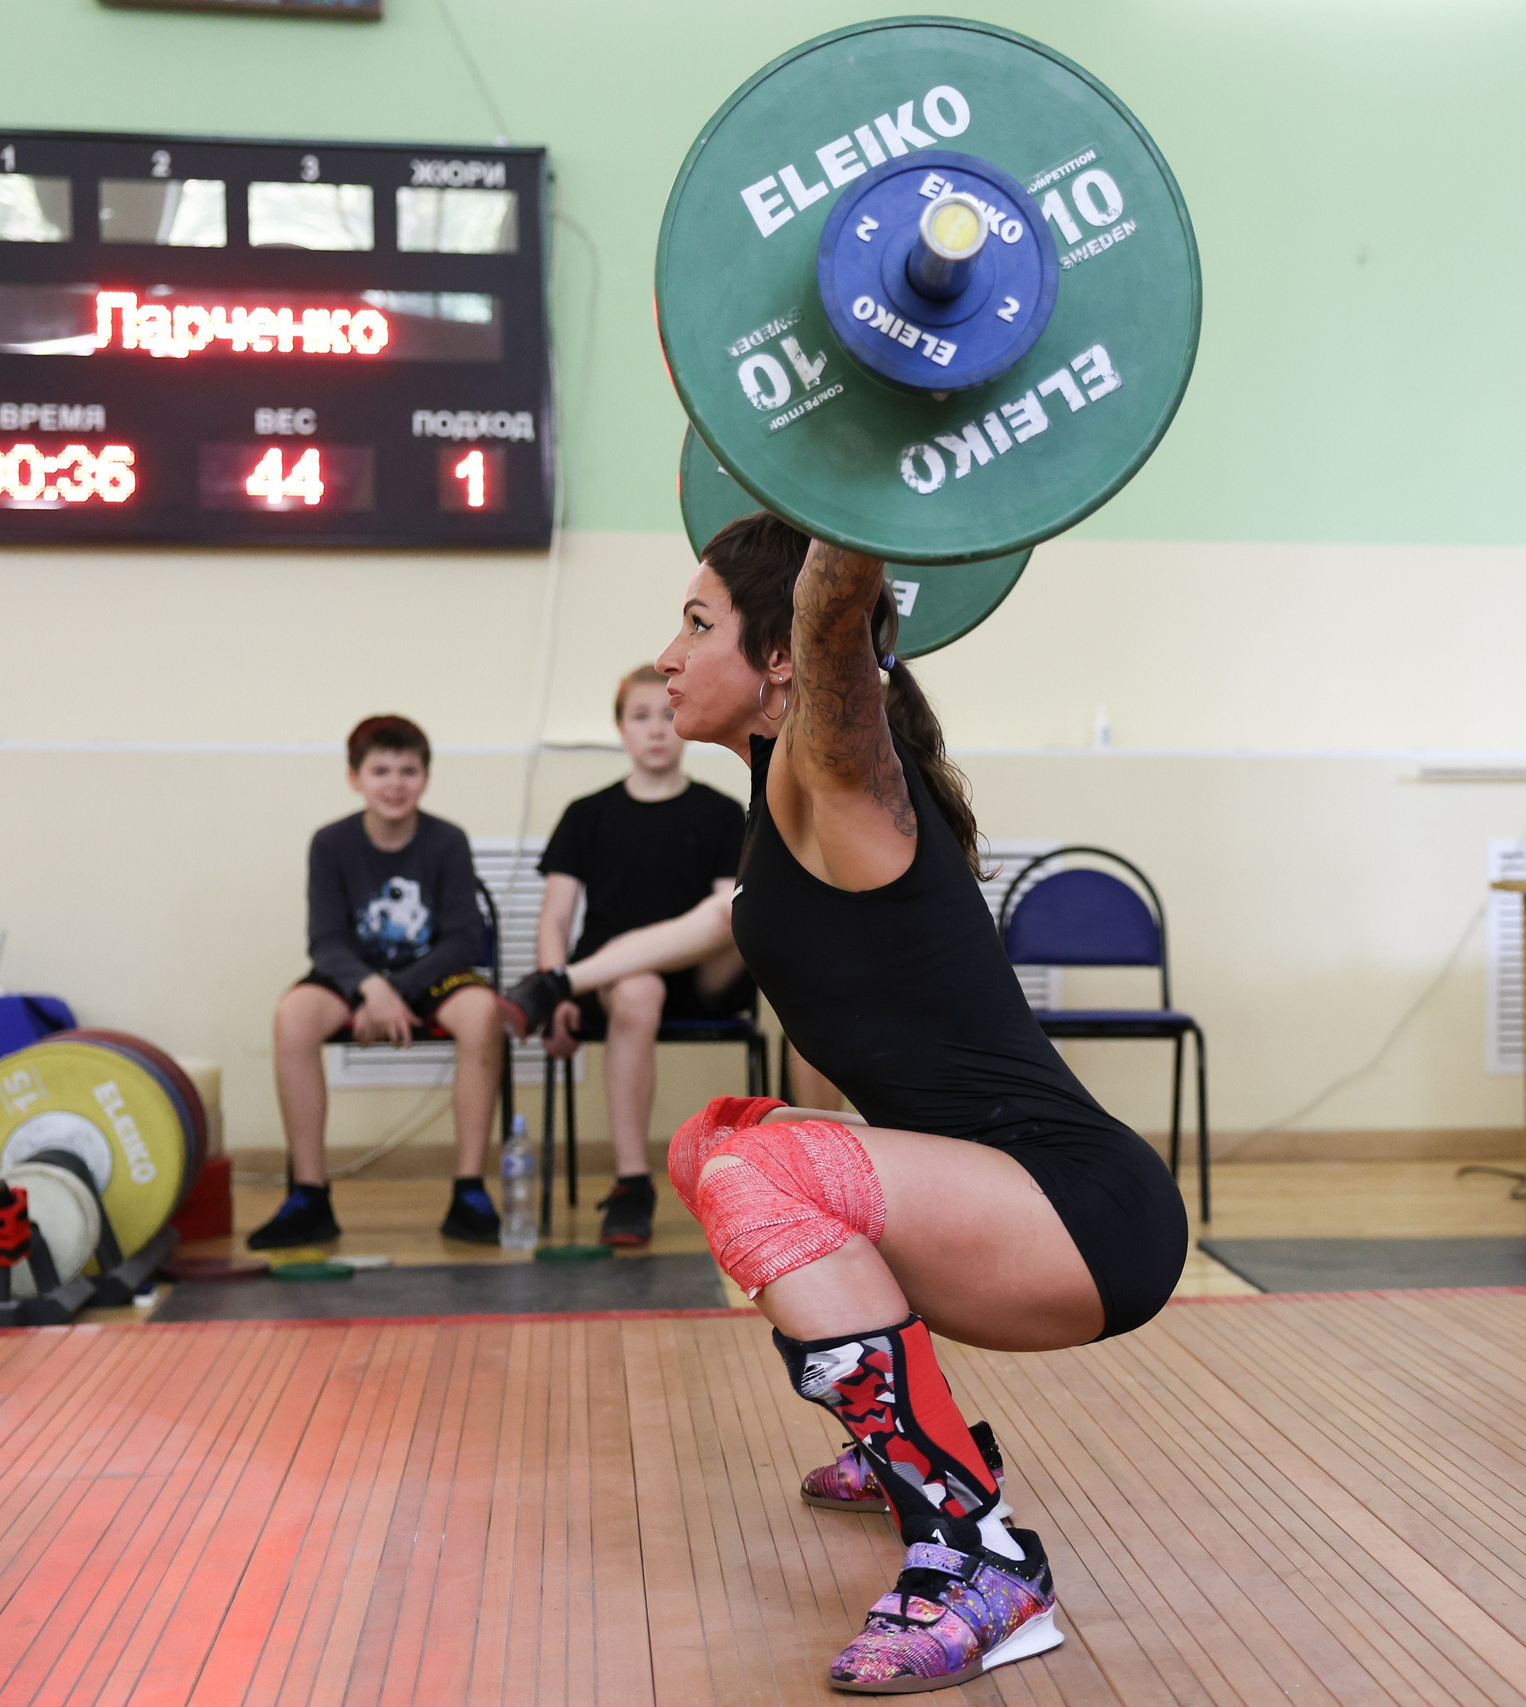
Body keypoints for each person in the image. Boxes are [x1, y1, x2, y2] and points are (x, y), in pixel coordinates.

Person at [510, 514, 1188, 1693]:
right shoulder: (783, 805)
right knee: (718, 1139)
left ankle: (979, 1555)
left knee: (762, 1176)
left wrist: (852, 470)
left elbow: (833, 610)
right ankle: (903, 1445)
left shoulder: (835, 769)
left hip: (1084, 1217)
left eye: (696, 623)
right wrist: (563, 977)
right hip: (1009, 1201)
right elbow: (704, 926)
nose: (668, 657)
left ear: (785, 663)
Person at [520, 666, 755, 1246]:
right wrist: (560, 997)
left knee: (738, 908)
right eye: (640, 717)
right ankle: (632, 1182)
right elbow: (554, 916)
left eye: (669, 716)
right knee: (637, 988)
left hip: (704, 974)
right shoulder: (586, 813)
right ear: (619, 729)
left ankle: (558, 982)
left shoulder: (721, 811)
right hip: (615, 981)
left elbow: (728, 914)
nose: (657, 731)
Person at [253, 715, 505, 1249]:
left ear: (426, 778)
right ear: (354, 778)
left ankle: (469, 1189)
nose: (395, 783)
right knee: (291, 1016)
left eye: (409, 770)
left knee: (483, 1013)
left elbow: (462, 942)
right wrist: (372, 987)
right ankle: (309, 1193)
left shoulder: (448, 841)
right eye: (380, 770)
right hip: (355, 978)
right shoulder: (330, 843)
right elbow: (325, 939)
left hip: (432, 977)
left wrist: (399, 989)